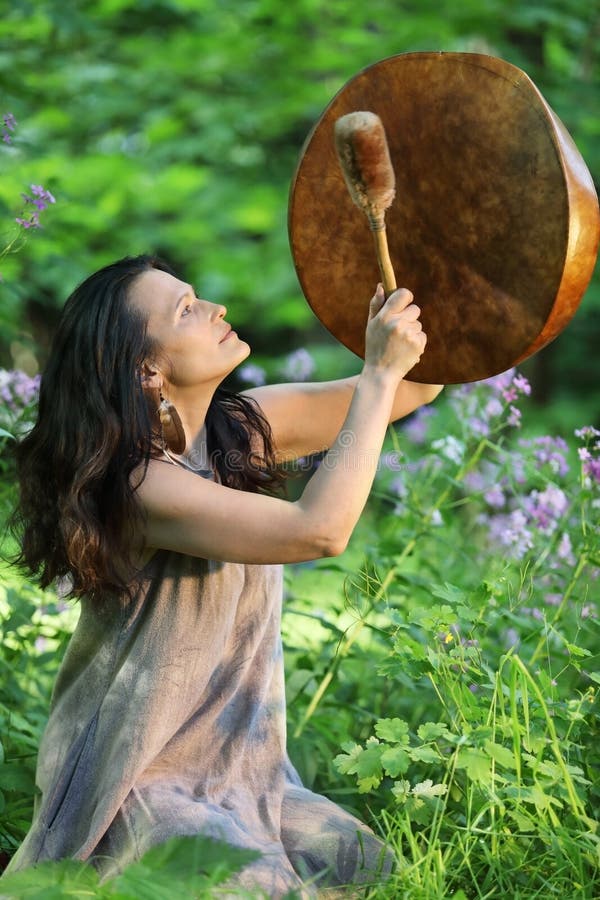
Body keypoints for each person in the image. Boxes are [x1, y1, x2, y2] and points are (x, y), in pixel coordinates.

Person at [2, 254, 442, 897]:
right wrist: (377, 373)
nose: (216, 310)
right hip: (140, 782)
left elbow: (416, 388)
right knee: (262, 888)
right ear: (146, 368)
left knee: (367, 869)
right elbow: (318, 530)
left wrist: (422, 285)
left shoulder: (238, 432)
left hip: (249, 776)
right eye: (186, 309)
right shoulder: (138, 485)